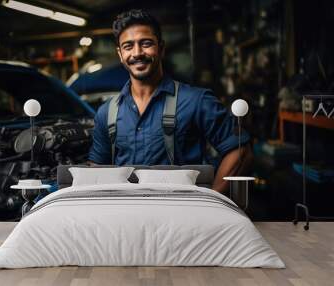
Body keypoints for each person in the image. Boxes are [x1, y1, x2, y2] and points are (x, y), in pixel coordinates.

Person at [88, 9, 252, 193]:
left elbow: (239, 150)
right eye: (128, 46)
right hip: (127, 215)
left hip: (183, 216)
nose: (137, 53)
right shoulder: (106, 113)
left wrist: (212, 199)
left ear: (161, 48)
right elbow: (97, 170)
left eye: (146, 43)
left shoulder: (196, 101)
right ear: (120, 54)